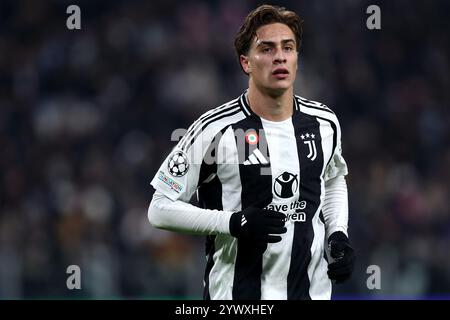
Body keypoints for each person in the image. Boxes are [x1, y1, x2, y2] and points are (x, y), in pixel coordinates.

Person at [148, 4, 354, 300]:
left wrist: (338, 233)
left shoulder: (324, 123)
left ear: (296, 59)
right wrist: (232, 222)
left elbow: (333, 178)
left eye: (288, 48)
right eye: (267, 49)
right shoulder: (213, 130)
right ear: (246, 62)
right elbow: (159, 208)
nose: (280, 56)